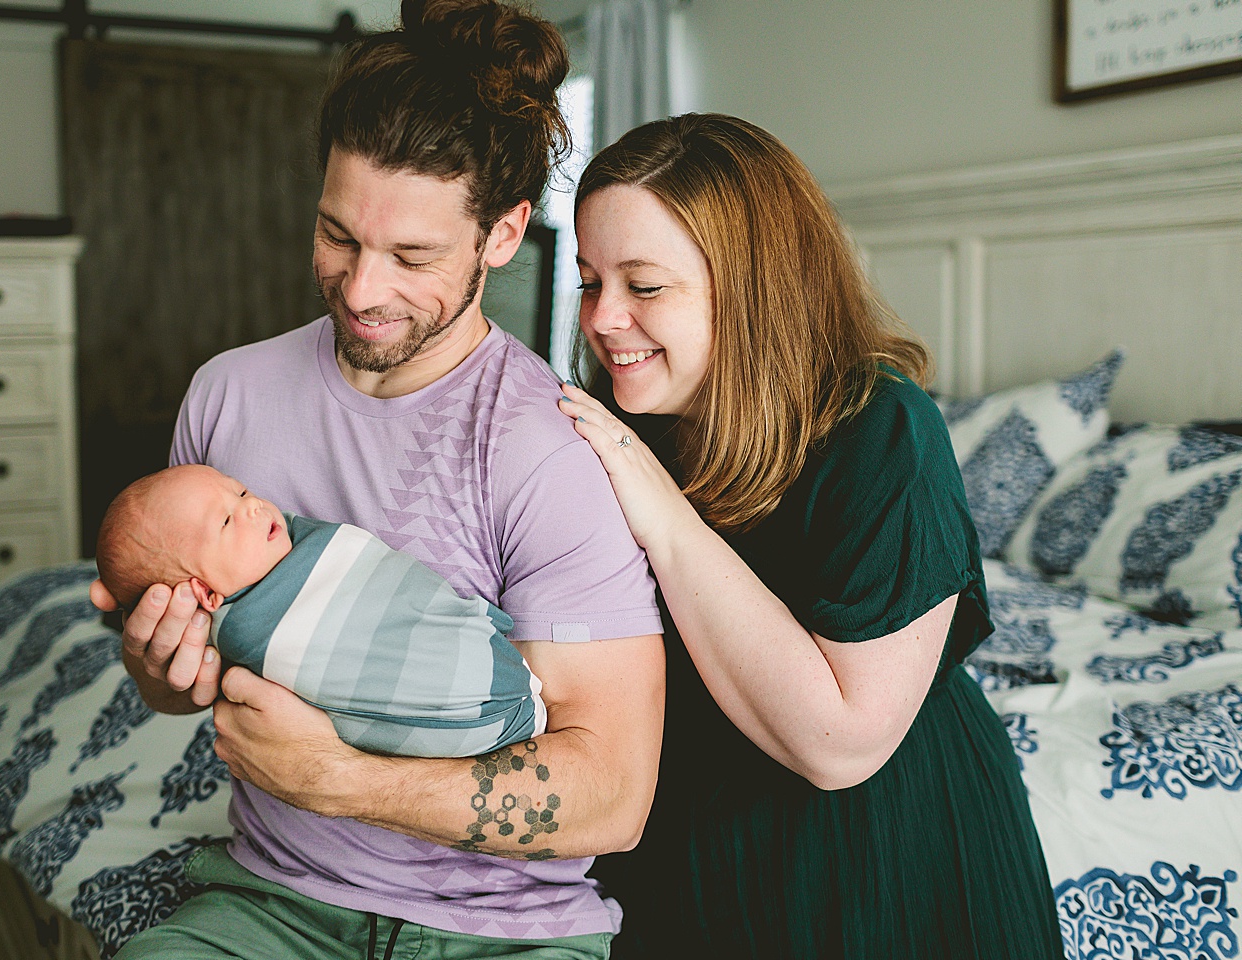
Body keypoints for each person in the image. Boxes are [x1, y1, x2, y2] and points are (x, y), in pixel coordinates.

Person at [88, 2, 666, 958]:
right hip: (269, 901)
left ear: (503, 234)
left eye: (412, 257)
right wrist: (161, 673)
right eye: (337, 235)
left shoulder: (551, 451)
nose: (360, 290)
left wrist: (337, 779)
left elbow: (614, 797)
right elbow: (200, 676)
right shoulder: (225, 397)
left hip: (503, 931)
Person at [558, 114, 1064, 960]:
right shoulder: (623, 418)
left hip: (872, 849)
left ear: (755, 286)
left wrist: (661, 512)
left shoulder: (882, 431)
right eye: (587, 281)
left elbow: (841, 746)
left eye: (644, 287)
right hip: (682, 833)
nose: (605, 319)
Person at [94, 463, 547, 759]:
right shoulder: (248, 637)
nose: (252, 505)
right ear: (207, 597)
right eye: (228, 521)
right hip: (478, 715)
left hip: (496, 698)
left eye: (241, 491)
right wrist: (149, 668)